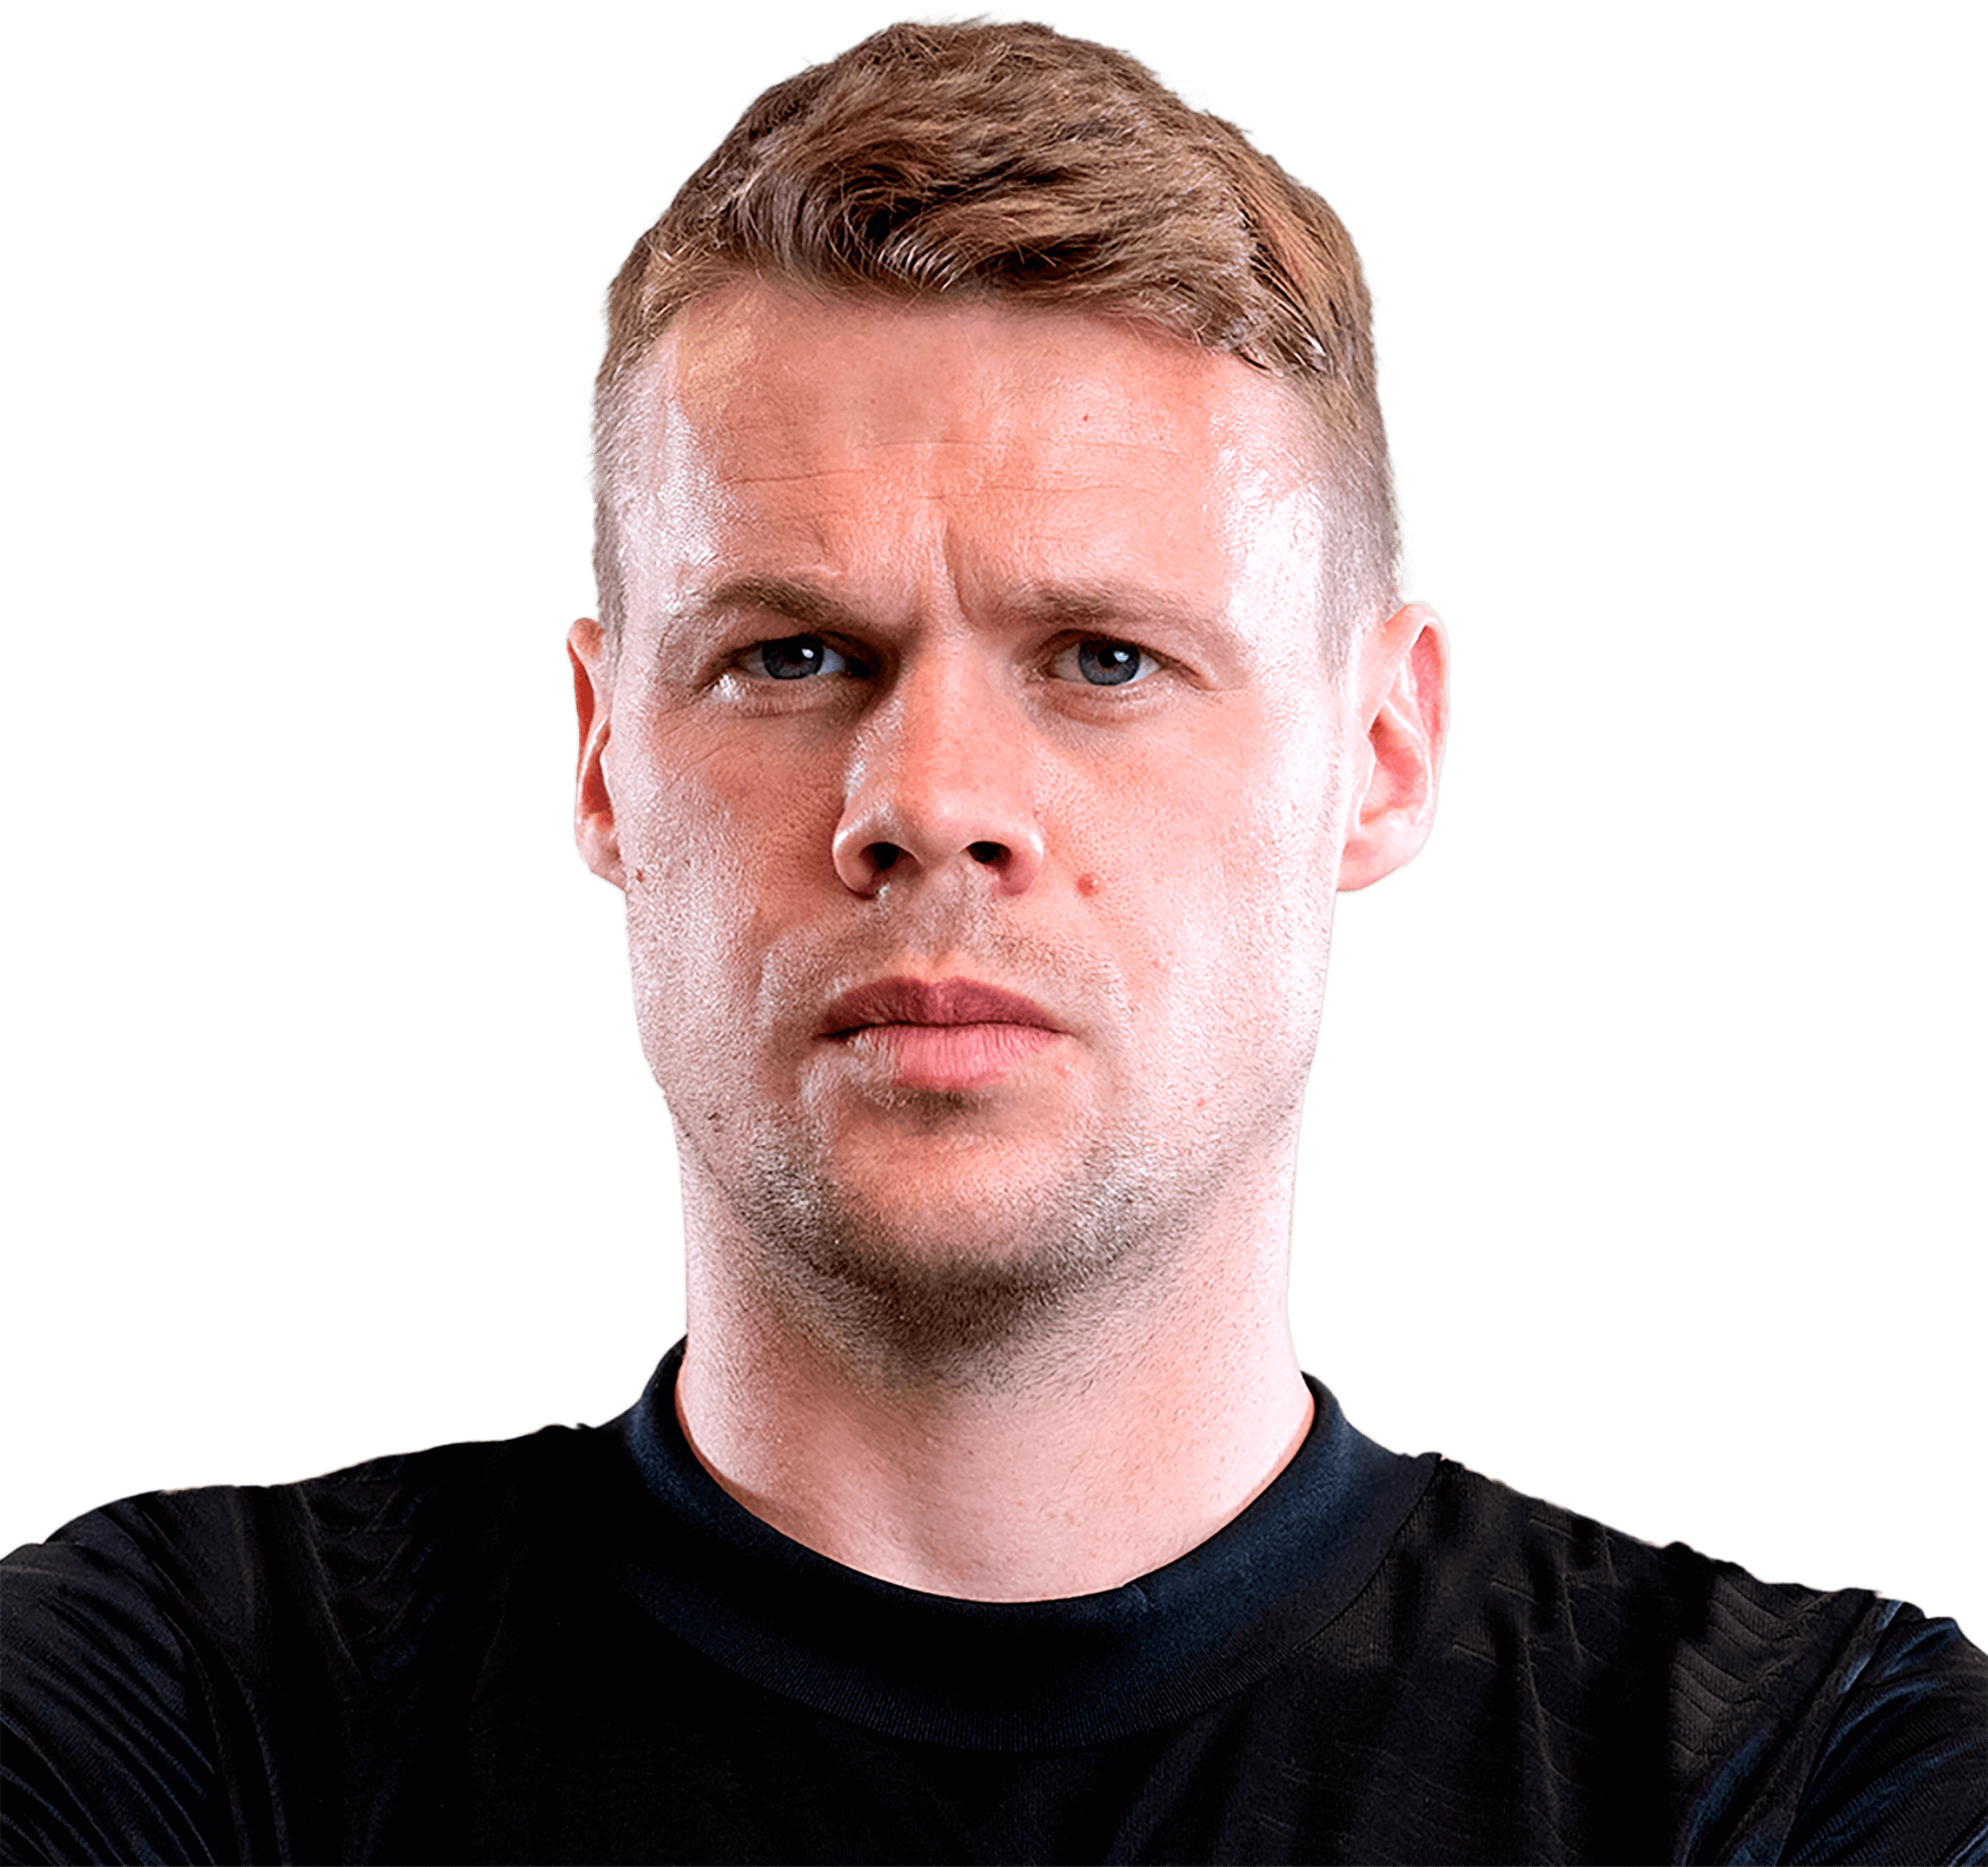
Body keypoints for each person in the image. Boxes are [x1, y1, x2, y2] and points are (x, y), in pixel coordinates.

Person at [4, 14, 1982, 1864]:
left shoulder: (1802, 1775)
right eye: (794, 654)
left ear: (1383, 756)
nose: (930, 796)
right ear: (604, 763)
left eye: (1104, 657)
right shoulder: (171, 1703)